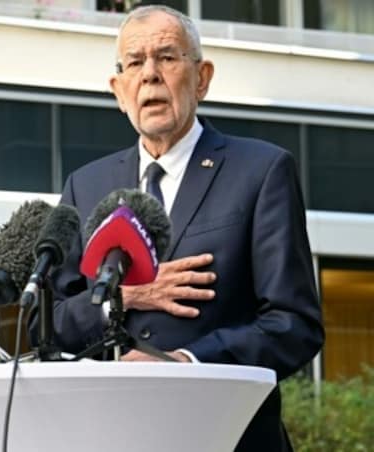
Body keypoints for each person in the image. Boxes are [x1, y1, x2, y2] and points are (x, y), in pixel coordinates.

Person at [48, 6, 324, 451]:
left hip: (228, 437)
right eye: (135, 62)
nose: (150, 75)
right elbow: (55, 320)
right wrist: (128, 296)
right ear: (119, 91)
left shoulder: (261, 169)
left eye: (168, 57)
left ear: (202, 78)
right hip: (111, 434)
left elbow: (293, 324)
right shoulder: (86, 184)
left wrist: (186, 362)